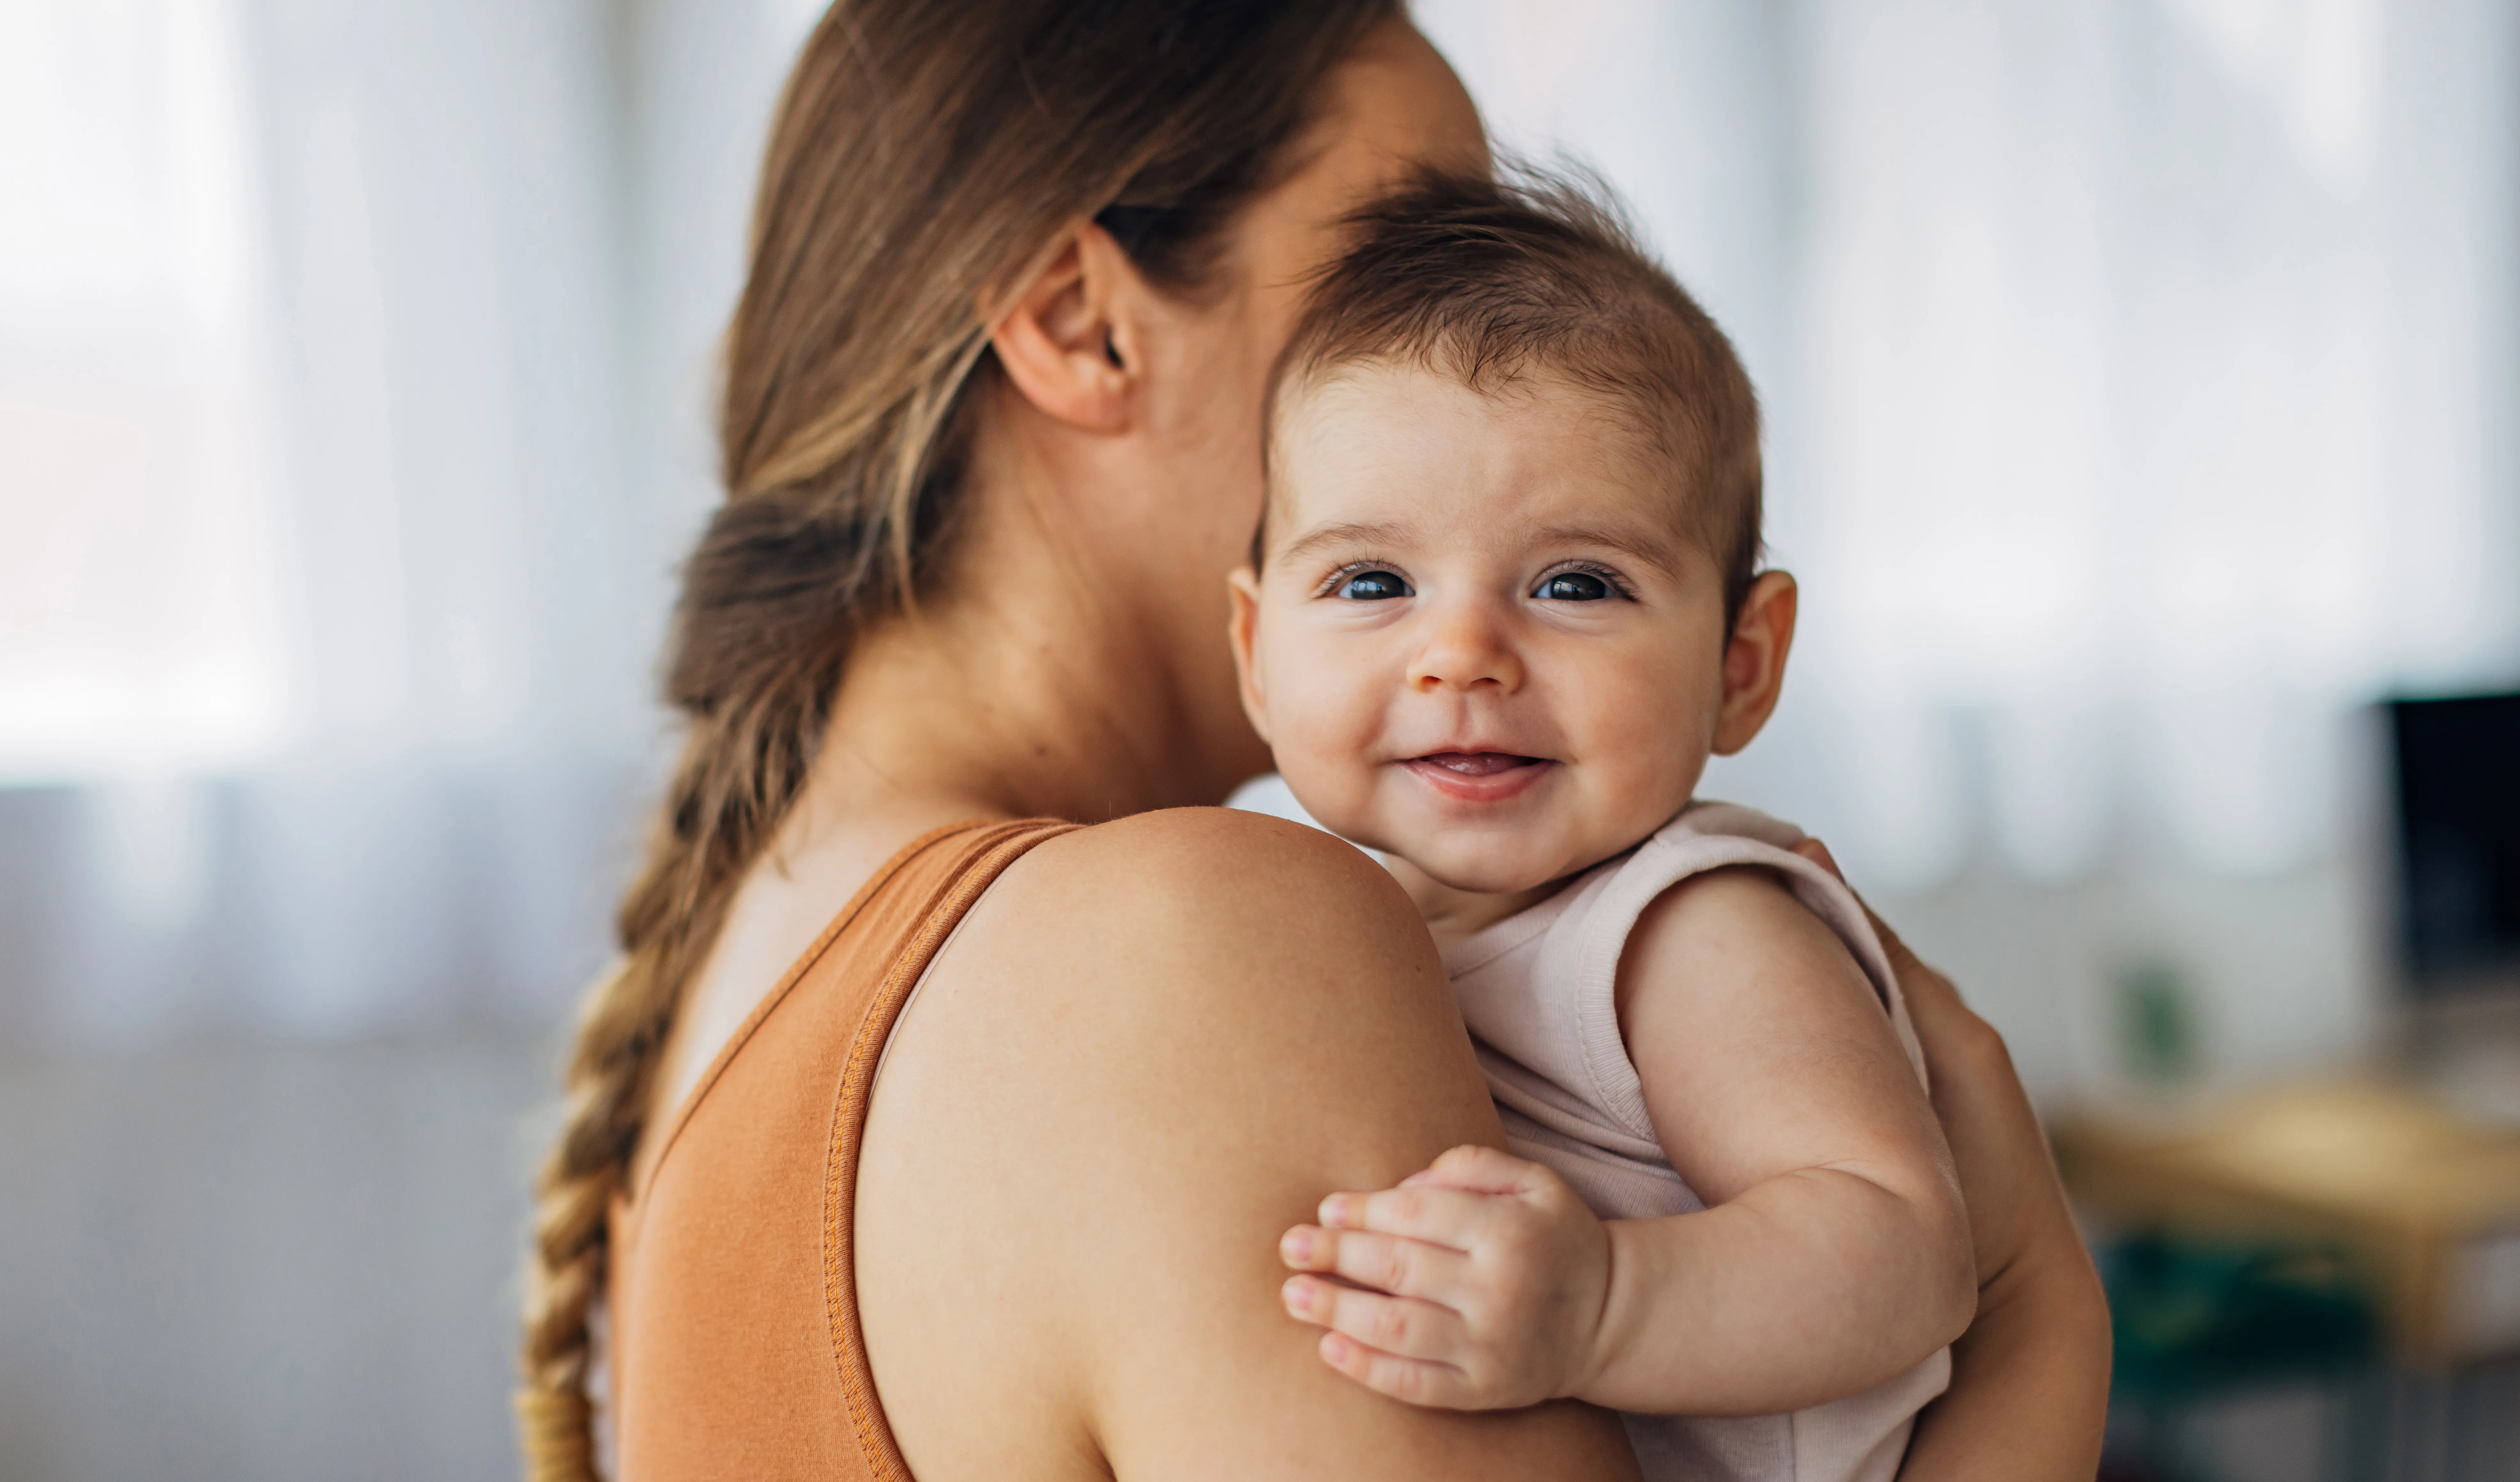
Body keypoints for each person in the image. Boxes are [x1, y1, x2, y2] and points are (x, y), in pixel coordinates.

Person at [513, 4, 2112, 1480]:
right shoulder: (1189, 948)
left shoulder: (739, 979)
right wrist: (2039, 1325)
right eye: (1402, 269)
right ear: (1084, 322)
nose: (1514, 348)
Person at [1228, 171, 1967, 1480]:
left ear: (1741, 662)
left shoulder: (1684, 924)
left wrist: (1606, 1301)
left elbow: (1901, 1253)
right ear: (1254, 651)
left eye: (1575, 582)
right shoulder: (1318, 927)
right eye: (1370, 580)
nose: (1459, 653)